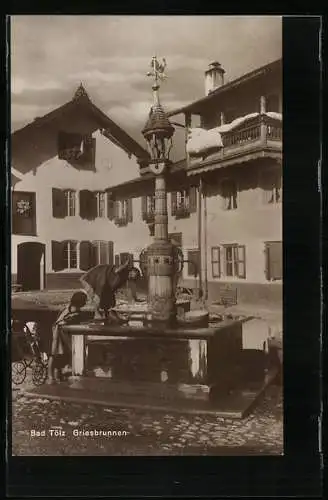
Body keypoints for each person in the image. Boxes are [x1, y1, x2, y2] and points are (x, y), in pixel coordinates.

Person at [47, 290, 88, 384]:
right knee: (55, 353)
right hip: (59, 332)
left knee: (56, 354)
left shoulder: (67, 307)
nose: (85, 303)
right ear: (80, 302)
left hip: (58, 330)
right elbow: (69, 320)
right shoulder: (75, 311)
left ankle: (55, 376)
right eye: (84, 301)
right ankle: (51, 377)